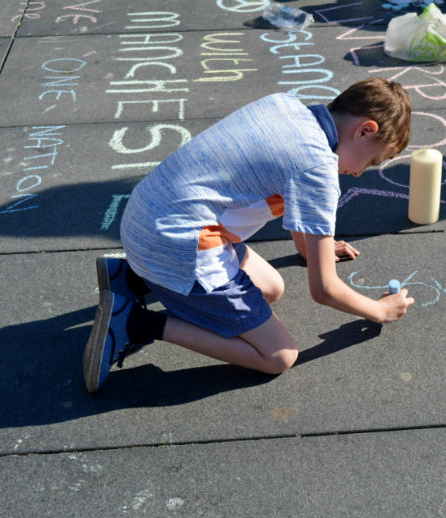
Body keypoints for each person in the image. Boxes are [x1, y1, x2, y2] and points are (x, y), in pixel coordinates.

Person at [83, 78, 415, 393]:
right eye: (371, 160)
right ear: (365, 129)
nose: (357, 173)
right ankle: (134, 323)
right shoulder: (317, 168)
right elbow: (324, 290)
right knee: (279, 356)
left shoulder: (284, 105)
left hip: (146, 219)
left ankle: (134, 279)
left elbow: (297, 213)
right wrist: (379, 311)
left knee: (271, 287)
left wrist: (313, 251)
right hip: (177, 243)